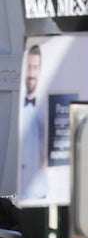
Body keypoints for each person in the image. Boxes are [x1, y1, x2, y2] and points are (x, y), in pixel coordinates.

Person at [19, 43, 48, 200]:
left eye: (35, 67)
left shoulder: (46, 108)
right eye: (29, 67)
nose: (31, 73)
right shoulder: (20, 107)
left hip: (41, 192)